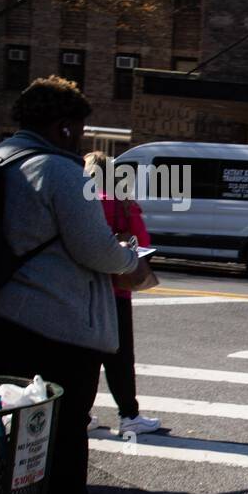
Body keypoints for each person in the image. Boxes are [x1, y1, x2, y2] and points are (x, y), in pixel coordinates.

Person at [0, 77, 147, 494]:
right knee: (66, 422)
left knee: (1, 423)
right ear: (64, 126)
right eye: (79, 126)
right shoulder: (60, 172)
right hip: (47, 324)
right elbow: (96, 249)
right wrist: (131, 258)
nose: (81, 135)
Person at [85, 151, 161, 437]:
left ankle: (82, 414)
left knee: (89, 356)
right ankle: (128, 415)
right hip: (117, 291)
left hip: (87, 290)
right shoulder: (123, 203)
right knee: (120, 357)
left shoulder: (84, 200)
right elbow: (142, 242)